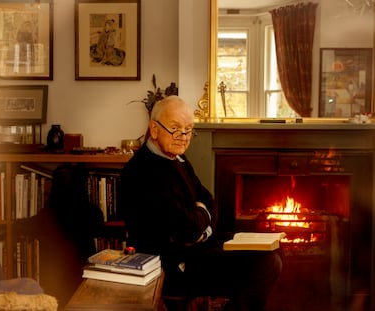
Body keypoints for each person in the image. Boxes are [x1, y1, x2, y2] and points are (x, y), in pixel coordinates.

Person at [120, 95, 282, 311]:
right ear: (154, 128)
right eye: (176, 128)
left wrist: (201, 222)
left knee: (275, 250)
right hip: (171, 264)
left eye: (189, 129)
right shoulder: (143, 170)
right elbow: (185, 229)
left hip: (197, 247)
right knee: (265, 264)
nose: (184, 137)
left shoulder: (177, 158)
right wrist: (200, 217)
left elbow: (209, 201)